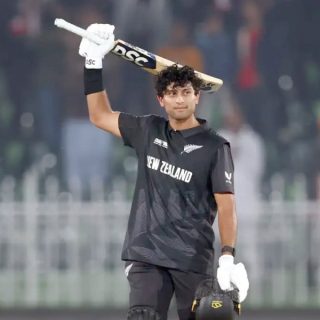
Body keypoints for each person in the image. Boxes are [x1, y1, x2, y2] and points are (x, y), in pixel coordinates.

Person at [77, 23, 249, 320]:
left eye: (185, 92)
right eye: (171, 93)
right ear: (161, 100)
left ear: (198, 96)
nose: (179, 99)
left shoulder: (215, 147)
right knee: (143, 315)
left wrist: (227, 257)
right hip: (146, 252)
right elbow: (99, 116)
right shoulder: (147, 130)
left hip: (192, 256)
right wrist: (93, 63)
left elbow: (226, 205)